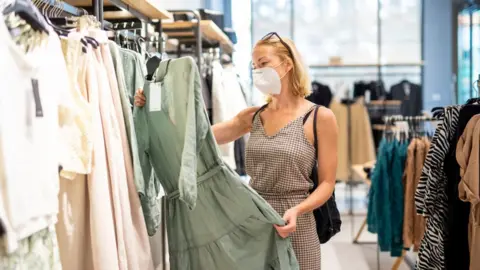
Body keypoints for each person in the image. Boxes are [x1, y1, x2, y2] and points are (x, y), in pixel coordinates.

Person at [134, 32, 338, 270]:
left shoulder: (319, 118)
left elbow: (327, 183)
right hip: (256, 218)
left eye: (264, 63)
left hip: (299, 222)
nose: (257, 71)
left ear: (288, 64)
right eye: (254, 66)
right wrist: (154, 104)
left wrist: (298, 209)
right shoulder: (253, 116)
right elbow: (196, 138)